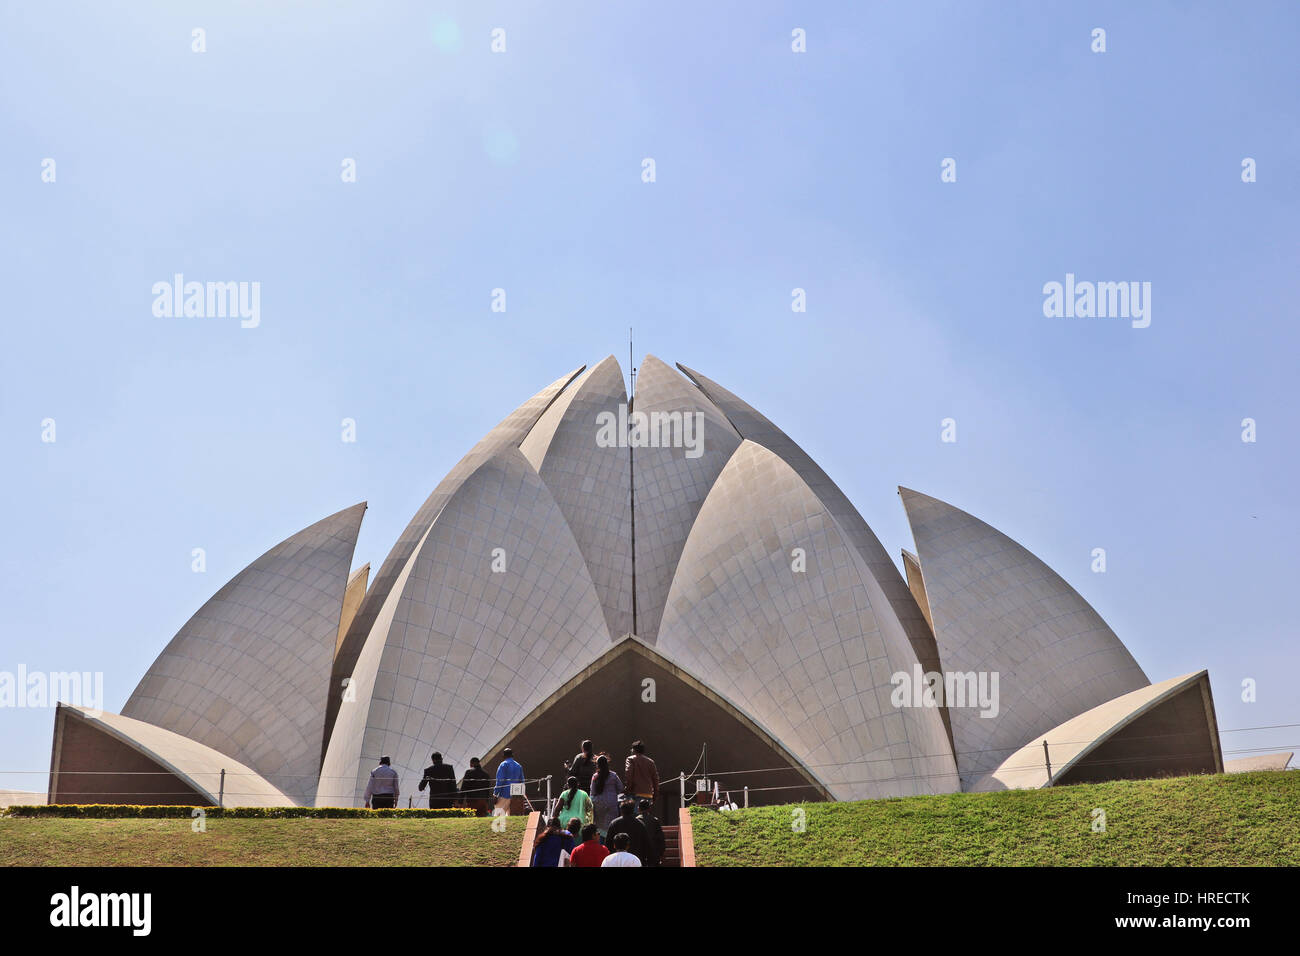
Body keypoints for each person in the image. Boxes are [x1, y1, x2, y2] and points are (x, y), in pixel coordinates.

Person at [604, 799, 651, 864]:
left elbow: (608, 844)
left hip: (616, 861)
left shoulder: (614, 824)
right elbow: (647, 844)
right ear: (633, 810)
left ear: (621, 810)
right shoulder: (640, 825)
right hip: (637, 860)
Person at [589, 754, 623, 838]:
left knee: (600, 830)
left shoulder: (595, 776)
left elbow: (592, 792)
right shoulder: (613, 775)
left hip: (599, 806)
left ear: (597, 765)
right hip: (611, 805)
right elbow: (621, 788)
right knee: (612, 828)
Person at [493, 748, 525, 815]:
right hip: (515, 795)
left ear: (503, 756)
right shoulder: (518, 766)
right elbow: (522, 781)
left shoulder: (503, 765)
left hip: (503, 794)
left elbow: (500, 780)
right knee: (512, 818)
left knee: (499, 818)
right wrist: (520, 795)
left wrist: (495, 793)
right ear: (512, 755)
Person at [637, 799, 666, 867]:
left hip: (640, 852)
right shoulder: (655, 820)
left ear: (639, 808)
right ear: (649, 808)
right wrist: (661, 853)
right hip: (653, 852)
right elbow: (661, 838)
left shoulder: (636, 821)